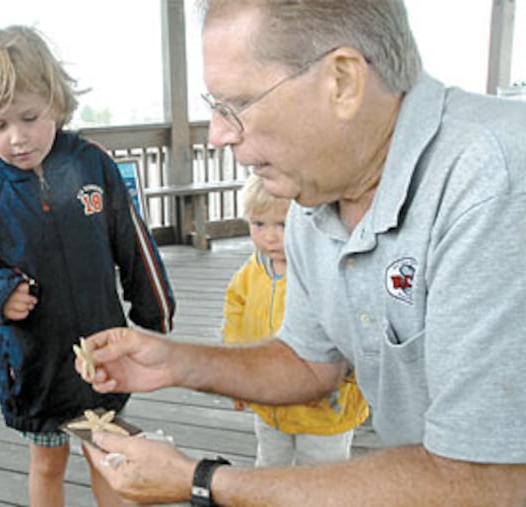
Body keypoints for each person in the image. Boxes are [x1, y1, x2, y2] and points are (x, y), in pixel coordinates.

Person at [75, 1, 526, 505]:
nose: (219, 132)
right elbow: (310, 363)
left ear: (342, 82)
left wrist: (202, 480)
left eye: (236, 104)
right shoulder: (316, 194)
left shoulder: (497, 183)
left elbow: (488, 480)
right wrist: (176, 362)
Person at [0, 25, 176, 507]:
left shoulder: (92, 164)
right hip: (35, 365)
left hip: (102, 356)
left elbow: (132, 241)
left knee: (107, 456)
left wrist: (155, 316)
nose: (18, 138)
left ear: (54, 99)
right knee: (47, 463)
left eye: (30, 117)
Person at [222, 174, 367, 468]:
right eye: (258, 224)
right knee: (270, 466)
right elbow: (235, 320)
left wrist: (340, 380)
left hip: (324, 407)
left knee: (321, 476)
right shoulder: (250, 274)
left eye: (283, 225)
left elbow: (356, 330)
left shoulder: (331, 272)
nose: (270, 236)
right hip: (269, 402)